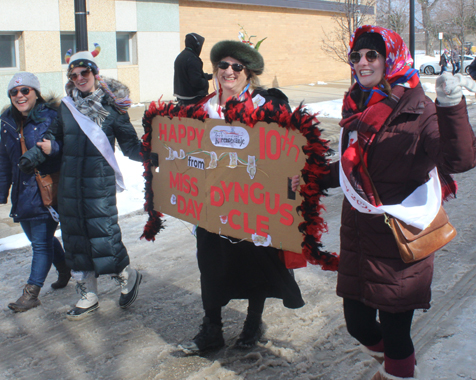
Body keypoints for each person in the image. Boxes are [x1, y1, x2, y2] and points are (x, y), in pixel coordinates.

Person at [317, 26, 476, 379]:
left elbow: (459, 162)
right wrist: (312, 177)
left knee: (395, 333)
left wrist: (451, 109)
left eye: (372, 55)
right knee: (358, 326)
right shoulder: (356, 104)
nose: (362, 62)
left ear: (391, 58)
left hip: (400, 242)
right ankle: (398, 368)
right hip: (359, 239)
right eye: (356, 56)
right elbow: (352, 166)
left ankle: (399, 372)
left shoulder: (419, 110)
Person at [179, 40, 305, 354]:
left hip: (255, 203)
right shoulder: (201, 107)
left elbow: (292, 146)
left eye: (237, 66)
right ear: (215, 69)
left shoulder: (267, 105)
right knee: (210, 265)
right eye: (223, 65)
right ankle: (212, 329)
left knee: (253, 263)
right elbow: (183, 150)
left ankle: (253, 322)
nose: (229, 71)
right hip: (211, 204)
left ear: (248, 72)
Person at [19, 46, 143, 321]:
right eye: (73, 75)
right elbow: (52, 138)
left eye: (83, 72)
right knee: (75, 237)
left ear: (95, 73)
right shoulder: (67, 107)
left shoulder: (113, 108)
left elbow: (131, 145)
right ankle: (88, 293)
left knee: (103, 233)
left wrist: (155, 152)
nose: (79, 78)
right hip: (70, 183)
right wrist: (35, 155)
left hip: (99, 182)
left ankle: (127, 275)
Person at [0, 72, 69, 312]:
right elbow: (4, 159)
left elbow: (67, 147)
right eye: (14, 92)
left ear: (36, 93)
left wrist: (53, 148)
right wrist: (0, 191)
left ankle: (31, 293)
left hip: (45, 190)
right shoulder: (8, 121)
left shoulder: (52, 116)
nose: (20, 95)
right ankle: (65, 267)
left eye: (25, 90)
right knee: (40, 238)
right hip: (22, 193)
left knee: (40, 243)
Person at [173, 33, 213, 105]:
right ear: (197, 45)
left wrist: (211, 76)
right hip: (193, 99)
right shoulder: (193, 59)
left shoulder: (181, 56)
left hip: (182, 97)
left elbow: (193, 75)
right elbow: (196, 81)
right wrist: (205, 83)